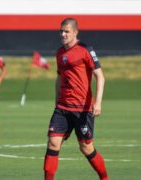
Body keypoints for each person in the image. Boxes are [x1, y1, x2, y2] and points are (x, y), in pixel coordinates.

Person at [43, 18, 108, 180]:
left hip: (83, 109)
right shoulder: (59, 52)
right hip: (62, 108)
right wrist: (56, 100)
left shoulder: (85, 50)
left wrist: (98, 103)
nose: (63, 34)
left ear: (75, 32)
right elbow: (59, 77)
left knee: (86, 147)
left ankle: (104, 178)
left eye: (66, 31)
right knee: (53, 144)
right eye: (61, 31)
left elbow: (100, 76)